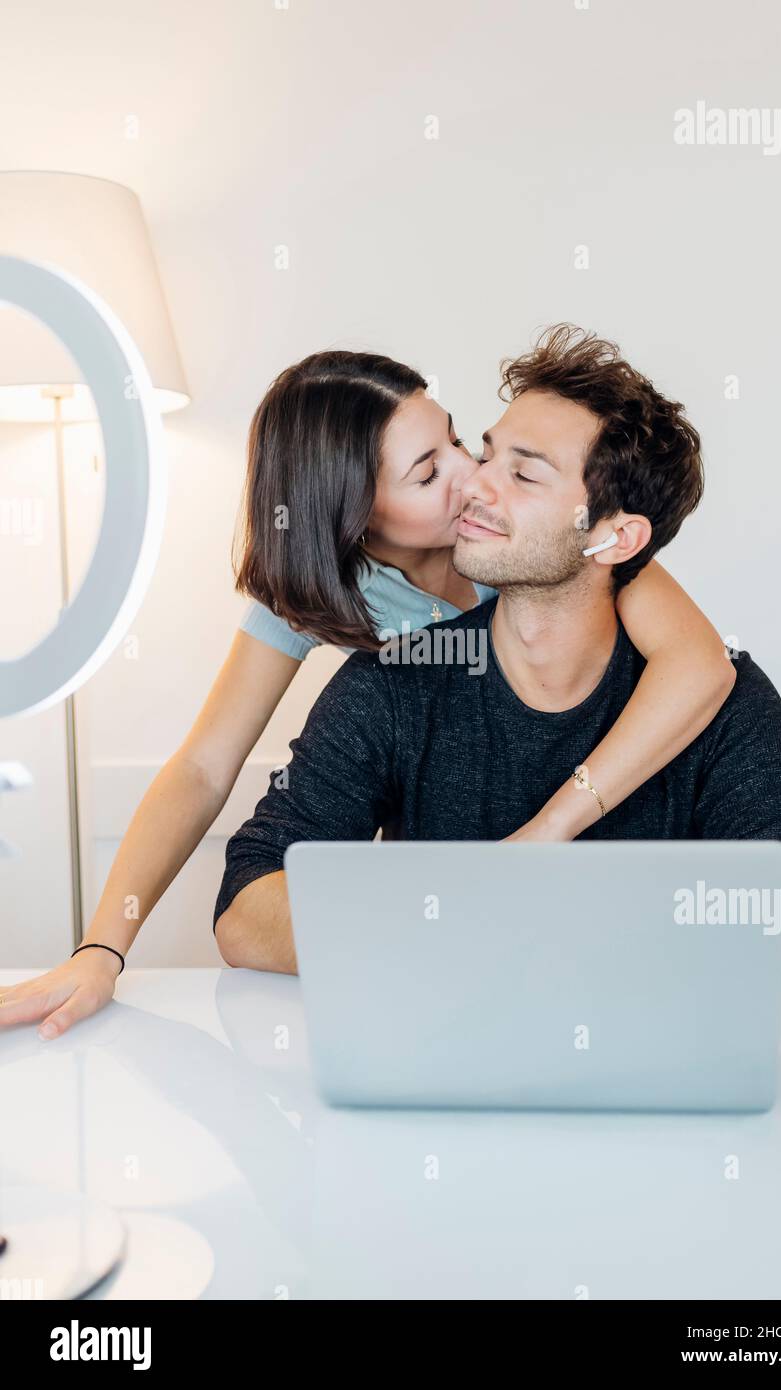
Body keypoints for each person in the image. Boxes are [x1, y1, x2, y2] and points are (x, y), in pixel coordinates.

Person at [0, 340, 736, 1040]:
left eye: (457, 440)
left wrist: (546, 836)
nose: (470, 474)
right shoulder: (332, 599)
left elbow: (701, 666)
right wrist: (103, 947)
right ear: (356, 515)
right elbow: (202, 768)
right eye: (426, 473)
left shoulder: (536, 545)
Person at [212, 326, 781, 979]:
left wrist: (555, 941)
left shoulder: (725, 699)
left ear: (615, 538)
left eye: (523, 473)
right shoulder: (392, 683)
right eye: (486, 456)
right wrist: (459, 930)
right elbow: (248, 904)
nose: (475, 485)